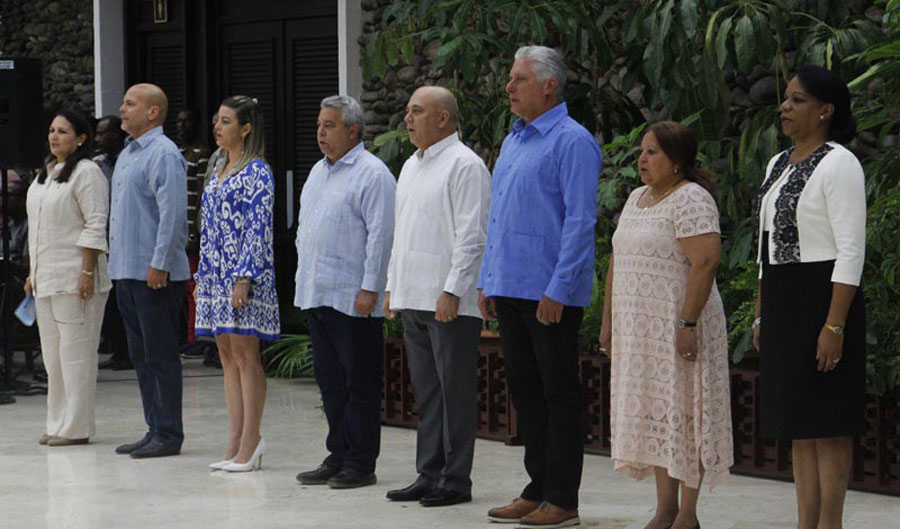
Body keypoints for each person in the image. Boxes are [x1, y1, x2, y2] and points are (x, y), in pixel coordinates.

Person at [477, 45, 602, 528]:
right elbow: (501, 217)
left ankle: (563, 498)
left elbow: (580, 221)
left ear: (550, 85)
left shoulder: (572, 141)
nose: (509, 87)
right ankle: (537, 486)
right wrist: (488, 280)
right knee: (525, 394)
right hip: (509, 286)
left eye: (519, 79)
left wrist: (560, 287)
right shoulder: (514, 140)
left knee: (558, 393)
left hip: (549, 292)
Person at [599, 121, 733, 529]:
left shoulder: (692, 198)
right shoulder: (637, 198)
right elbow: (616, 261)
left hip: (680, 327)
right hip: (641, 335)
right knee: (658, 415)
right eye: (641, 150)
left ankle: (687, 514)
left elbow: (705, 261)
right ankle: (665, 509)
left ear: (678, 161)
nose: (642, 159)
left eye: (653, 152)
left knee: (687, 414)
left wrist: (686, 322)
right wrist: (608, 324)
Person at [753, 66, 866, 529]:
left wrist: (834, 325)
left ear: (825, 110)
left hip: (824, 297)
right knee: (799, 423)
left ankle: (830, 524)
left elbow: (851, 248)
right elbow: (766, 244)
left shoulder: (840, 163)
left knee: (829, 422)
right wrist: (762, 314)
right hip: (783, 297)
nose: (784, 107)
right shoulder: (777, 163)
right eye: (785, 99)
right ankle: (806, 523)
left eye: (797, 100)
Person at [383, 86, 491, 507]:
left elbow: (472, 235)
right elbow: (402, 232)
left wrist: (453, 288)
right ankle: (428, 474)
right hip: (413, 294)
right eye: (408, 110)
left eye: (417, 111)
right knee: (427, 394)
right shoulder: (411, 165)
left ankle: (456, 481)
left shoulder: (465, 165)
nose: (407, 119)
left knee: (455, 394)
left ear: (444, 118)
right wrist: (393, 284)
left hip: (449, 303)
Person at [294, 95, 395, 489]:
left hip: (354, 298)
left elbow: (381, 237)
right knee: (330, 383)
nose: (321, 132)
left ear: (353, 129)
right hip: (318, 293)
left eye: (330, 125)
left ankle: (360, 462)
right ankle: (337, 454)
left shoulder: (373, 174)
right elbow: (307, 231)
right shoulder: (319, 172)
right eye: (319, 124)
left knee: (360, 385)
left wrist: (371, 288)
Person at [195, 95, 279, 472]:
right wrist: (201, 276)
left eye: (226, 121)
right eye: (217, 120)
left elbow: (258, 229)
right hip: (214, 274)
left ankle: (252, 439)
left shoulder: (257, 172)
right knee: (226, 356)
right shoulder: (216, 169)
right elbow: (206, 227)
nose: (218, 127)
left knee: (246, 356)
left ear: (246, 128)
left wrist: (243, 276)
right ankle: (233, 437)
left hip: (243, 276)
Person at [109, 83, 190, 459]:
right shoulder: (127, 154)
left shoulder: (164, 153)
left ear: (153, 112)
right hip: (126, 271)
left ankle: (169, 433)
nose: (122, 109)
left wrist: (159, 262)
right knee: (140, 356)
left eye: (130, 103)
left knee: (160, 355)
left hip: (153, 274)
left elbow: (172, 215)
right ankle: (154, 427)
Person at [25, 109, 111, 446]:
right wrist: (33, 272)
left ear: (81, 138)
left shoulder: (87, 172)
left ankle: (76, 427)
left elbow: (95, 223)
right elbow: (39, 229)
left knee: (76, 356)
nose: (55, 136)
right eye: (52, 130)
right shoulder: (45, 173)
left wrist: (87, 271)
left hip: (77, 279)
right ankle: (57, 422)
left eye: (63, 131)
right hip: (47, 278)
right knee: (54, 357)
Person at [92, 115, 131, 371]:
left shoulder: (132, 157)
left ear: (116, 135)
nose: (98, 139)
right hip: (107, 241)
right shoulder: (97, 165)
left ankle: (130, 353)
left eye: (103, 134)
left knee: (128, 302)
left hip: (129, 240)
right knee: (112, 302)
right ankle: (118, 350)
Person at [176, 109, 212, 350]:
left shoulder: (201, 154)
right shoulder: (175, 153)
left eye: (187, 121)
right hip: (178, 227)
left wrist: (195, 230)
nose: (181, 126)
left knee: (194, 285)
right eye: (178, 122)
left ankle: (195, 335)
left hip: (193, 227)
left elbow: (201, 193)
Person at [93, 115, 125, 181]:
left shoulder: (129, 160)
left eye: (100, 134)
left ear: (115, 134)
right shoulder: (99, 162)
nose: (96, 139)